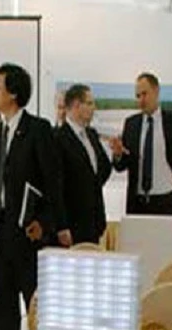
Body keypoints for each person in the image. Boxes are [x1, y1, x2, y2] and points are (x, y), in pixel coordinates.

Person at [0, 63, 67, 330]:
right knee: (3, 306)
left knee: (34, 305)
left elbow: (53, 183)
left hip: (29, 236)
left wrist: (45, 222)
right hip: (0, 233)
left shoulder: (38, 130)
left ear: (13, 93)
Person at [109, 72, 172, 218]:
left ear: (156, 91)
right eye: (138, 96)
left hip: (169, 200)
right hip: (138, 204)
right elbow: (121, 166)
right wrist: (118, 154)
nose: (141, 100)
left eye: (144, 94)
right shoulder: (131, 124)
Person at [55, 83, 112, 244]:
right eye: (89, 103)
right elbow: (56, 186)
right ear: (76, 105)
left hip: (94, 222)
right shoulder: (58, 138)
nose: (94, 108)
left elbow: (102, 171)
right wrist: (61, 225)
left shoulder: (91, 135)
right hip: (72, 225)